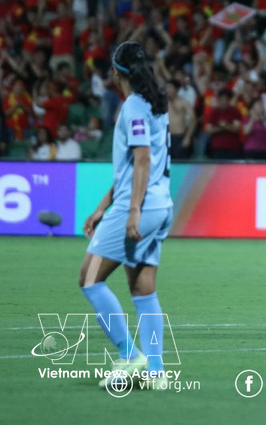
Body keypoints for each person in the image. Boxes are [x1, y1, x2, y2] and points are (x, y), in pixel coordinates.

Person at [79, 42, 173, 390]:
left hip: (141, 205)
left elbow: (143, 159)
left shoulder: (133, 106)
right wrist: (103, 205)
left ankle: (130, 355)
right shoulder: (155, 103)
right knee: (142, 288)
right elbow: (133, 165)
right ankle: (156, 371)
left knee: (89, 278)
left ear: (116, 72)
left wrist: (131, 210)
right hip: (162, 204)